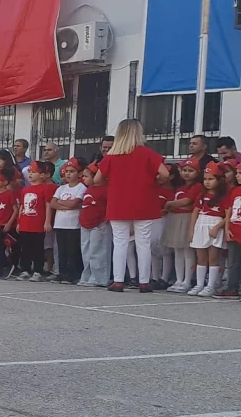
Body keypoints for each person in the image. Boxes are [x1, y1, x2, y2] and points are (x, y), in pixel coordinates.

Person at [94, 119, 169, 292]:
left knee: (120, 242)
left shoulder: (113, 155)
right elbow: (164, 174)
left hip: (118, 202)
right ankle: (144, 281)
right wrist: (154, 181)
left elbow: (97, 179)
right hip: (144, 201)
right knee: (144, 243)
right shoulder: (147, 153)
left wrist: (113, 180)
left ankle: (119, 280)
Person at [187, 161, 228, 297]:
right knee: (201, 257)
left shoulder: (223, 197)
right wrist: (192, 229)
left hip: (215, 225)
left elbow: (227, 215)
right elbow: (195, 212)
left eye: (211, 179)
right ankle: (199, 284)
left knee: (213, 257)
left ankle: (211, 285)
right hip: (201, 224)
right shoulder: (201, 195)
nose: (207, 182)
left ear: (219, 180)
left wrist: (217, 227)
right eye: (205, 179)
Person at [164, 161, 202, 292]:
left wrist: (171, 204)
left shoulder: (197, 187)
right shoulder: (179, 188)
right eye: (184, 170)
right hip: (175, 218)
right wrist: (176, 205)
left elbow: (188, 202)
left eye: (190, 170)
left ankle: (187, 280)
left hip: (187, 219)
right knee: (177, 251)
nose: (186, 173)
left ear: (197, 173)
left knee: (188, 251)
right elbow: (181, 203)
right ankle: (179, 280)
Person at [15, 161, 54, 281]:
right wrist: (18, 221)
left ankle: (38, 270)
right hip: (25, 223)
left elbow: (48, 206)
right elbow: (22, 206)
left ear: (42, 175)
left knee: (38, 248)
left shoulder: (45, 189)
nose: (30, 174)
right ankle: (25, 269)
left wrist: (47, 222)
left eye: (34, 172)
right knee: (25, 248)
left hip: (38, 223)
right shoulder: (25, 190)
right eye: (30, 172)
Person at [49, 159, 86, 284]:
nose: (68, 174)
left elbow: (75, 203)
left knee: (72, 250)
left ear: (79, 174)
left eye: (72, 171)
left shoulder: (81, 188)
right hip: (60, 223)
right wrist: (67, 205)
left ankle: (73, 274)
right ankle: (62, 272)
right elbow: (53, 203)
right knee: (62, 250)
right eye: (67, 172)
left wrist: (62, 203)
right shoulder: (61, 188)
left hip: (73, 225)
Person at [79, 164, 112, 288]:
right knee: (86, 251)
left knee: (98, 251)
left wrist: (104, 220)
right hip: (86, 223)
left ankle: (99, 277)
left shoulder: (106, 189)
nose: (83, 179)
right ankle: (87, 274)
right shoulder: (89, 189)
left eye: (86, 176)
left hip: (99, 224)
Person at [220, 163, 241, 298]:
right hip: (234, 230)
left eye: (240, 173)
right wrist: (227, 228)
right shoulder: (235, 191)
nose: (237, 176)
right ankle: (232, 288)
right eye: (237, 172)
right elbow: (229, 210)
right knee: (233, 261)